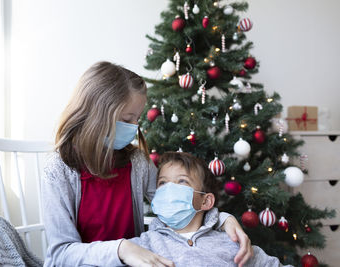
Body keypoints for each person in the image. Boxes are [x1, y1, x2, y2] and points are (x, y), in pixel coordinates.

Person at [41, 61, 253, 266]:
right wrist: (121, 249)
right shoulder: (59, 170)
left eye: (137, 119)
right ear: (95, 116)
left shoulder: (137, 163)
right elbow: (60, 253)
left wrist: (224, 220)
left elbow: (179, 201)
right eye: (127, 119)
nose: (135, 128)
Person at [129, 152, 291, 267]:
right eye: (163, 183)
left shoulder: (233, 243)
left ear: (205, 201)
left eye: (182, 181)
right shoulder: (145, 244)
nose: (169, 189)